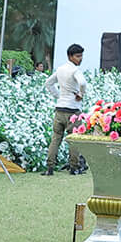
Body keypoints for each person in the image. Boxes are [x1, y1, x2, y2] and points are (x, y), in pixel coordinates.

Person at [45, 43, 89, 175]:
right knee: (74, 139)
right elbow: (82, 83)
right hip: (73, 110)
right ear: (70, 56)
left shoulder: (60, 69)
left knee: (56, 138)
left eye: (81, 56)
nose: (80, 59)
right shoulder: (75, 70)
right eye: (77, 56)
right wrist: (81, 94)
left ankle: (50, 167)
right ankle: (74, 167)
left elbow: (48, 83)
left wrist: (58, 95)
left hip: (59, 108)